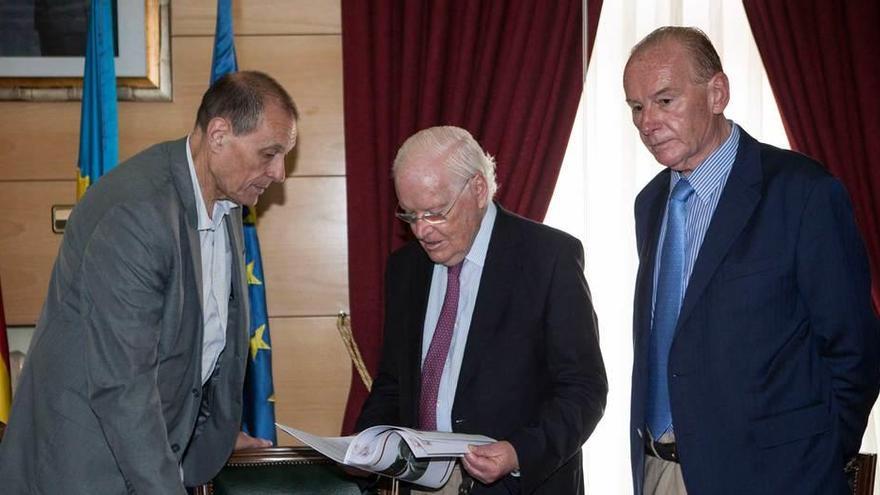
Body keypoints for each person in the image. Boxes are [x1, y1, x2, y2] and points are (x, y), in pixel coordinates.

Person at [0, 70, 298, 494]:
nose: (280, 173)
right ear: (218, 135)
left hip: (148, 454)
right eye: (269, 153)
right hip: (83, 468)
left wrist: (212, 435)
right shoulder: (138, 211)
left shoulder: (227, 203)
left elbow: (196, 339)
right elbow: (123, 385)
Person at [625, 26, 880, 494]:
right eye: (637, 107)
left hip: (777, 478)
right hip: (660, 470)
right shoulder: (650, 203)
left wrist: (814, 460)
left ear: (717, 93)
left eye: (664, 101)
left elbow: (855, 352)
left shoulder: (802, 193)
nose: (647, 123)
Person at [356, 126, 608, 494]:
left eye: (435, 212)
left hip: (516, 485)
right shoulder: (405, 268)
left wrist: (520, 452)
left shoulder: (547, 258)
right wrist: (365, 444)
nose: (423, 230)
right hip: (422, 483)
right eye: (410, 216)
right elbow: (395, 382)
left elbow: (584, 389)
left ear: (477, 189)